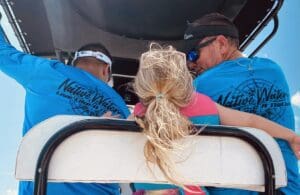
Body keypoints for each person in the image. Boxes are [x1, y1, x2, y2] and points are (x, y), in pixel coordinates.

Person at [131, 43, 300, 195]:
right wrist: (291, 136)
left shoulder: (137, 114)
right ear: (185, 79)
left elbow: (111, 142)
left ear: (142, 84)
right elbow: (250, 121)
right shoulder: (205, 105)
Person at [0, 26, 130, 195]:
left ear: (74, 64)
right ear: (106, 70)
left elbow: (2, 52)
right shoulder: (122, 108)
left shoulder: (45, 71)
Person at [183, 12, 300, 195]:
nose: (191, 64)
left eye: (193, 54)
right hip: (286, 189)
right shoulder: (274, 70)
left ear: (221, 44)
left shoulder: (201, 86)